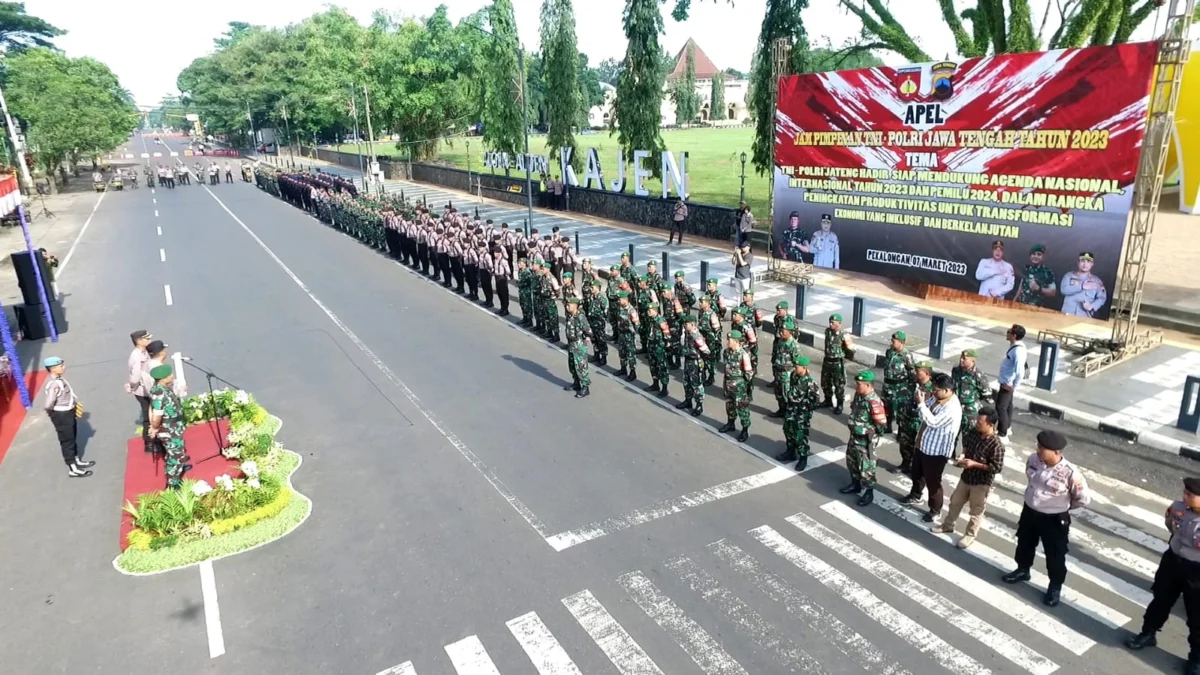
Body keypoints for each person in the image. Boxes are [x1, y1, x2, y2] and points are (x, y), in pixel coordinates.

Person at [1003, 429, 1090, 607]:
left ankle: (1055, 586)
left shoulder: (1071, 473)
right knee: (1025, 543)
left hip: (1054, 519)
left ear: (1056, 452)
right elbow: (1031, 479)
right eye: (1038, 446)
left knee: (1055, 555)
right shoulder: (1034, 459)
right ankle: (1023, 569)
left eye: (1042, 448)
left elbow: (1082, 499)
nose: (1038, 449)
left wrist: (1060, 507)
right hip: (1030, 512)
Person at [1125, 477, 1200, 669]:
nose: (1185, 496)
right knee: (1160, 599)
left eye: (1190, 495)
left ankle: (1196, 658)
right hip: (1173, 561)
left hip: (1196, 570)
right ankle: (1148, 633)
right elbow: (1170, 525)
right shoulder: (1177, 507)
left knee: (1196, 615)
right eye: (1185, 492)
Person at [933, 406, 1005, 549]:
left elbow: (996, 468)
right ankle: (948, 525)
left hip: (981, 483)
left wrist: (975, 464)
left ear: (990, 424)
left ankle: (970, 535)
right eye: (977, 420)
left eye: (980, 422)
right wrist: (963, 455)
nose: (977, 423)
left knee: (976, 511)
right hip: (966, 477)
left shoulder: (997, 445)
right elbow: (966, 444)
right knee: (955, 502)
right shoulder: (974, 432)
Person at [902, 373, 963, 522]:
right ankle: (915, 495)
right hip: (923, 443)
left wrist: (921, 404)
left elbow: (933, 422)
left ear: (948, 391)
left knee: (933, 482)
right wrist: (921, 402)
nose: (933, 392)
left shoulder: (952, 408)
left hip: (936, 452)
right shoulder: (937, 398)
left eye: (937, 390)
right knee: (916, 473)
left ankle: (935, 510)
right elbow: (925, 408)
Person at [42, 357, 93, 478]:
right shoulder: (54, 384)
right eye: (61, 366)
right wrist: (53, 414)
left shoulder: (59, 379)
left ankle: (76, 460)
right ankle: (72, 468)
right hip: (62, 415)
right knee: (67, 441)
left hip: (68, 412)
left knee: (72, 436)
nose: (63, 367)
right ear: (53, 369)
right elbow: (48, 404)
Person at [842, 370, 887, 506]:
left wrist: (869, 434)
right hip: (854, 438)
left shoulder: (874, 401)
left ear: (868, 385)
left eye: (859, 384)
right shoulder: (859, 395)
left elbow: (881, 424)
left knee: (866, 468)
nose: (856, 386)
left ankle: (868, 492)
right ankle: (855, 484)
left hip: (865, 441)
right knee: (852, 461)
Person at [777, 348, 821, 470]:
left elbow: (815, 401)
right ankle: (790, 452)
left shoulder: (811, 383)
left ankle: (803, 457)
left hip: (801, 413)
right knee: (788, 430)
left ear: (804, 368)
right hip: (791, 410)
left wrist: (805, 409)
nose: (795, 369)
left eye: (797, 367)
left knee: (800, 435)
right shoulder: (794, 377)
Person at [148, 364, 189, 490]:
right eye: (169, 375)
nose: (172, 376)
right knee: (174, 455)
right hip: (169, 429)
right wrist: (154, 427)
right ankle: (172, 484)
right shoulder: (159, 393)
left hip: (174, 427)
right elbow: (157, 414)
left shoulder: (162, 388)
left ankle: (178, 468)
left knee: (177, 452)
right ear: (163, 379)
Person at [951, 349, 991, 452]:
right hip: (956, 406)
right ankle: (950, 453)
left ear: (973, 361)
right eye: (961, 357)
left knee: (968, 434)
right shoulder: (956, 370)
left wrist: (972, 400)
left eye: (965, 358)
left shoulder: (978, 374)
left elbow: (986, 392)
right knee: (952, 431)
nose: (961, 360)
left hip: (970, 409)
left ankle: (965, 455)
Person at [719, 331, 754, 442]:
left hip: (739, 386)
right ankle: (731, 423)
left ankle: (745, 429)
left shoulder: (743, 355)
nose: (727, 342)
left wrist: (743, 386)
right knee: (729, 405)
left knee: (742, 407)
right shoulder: (726, 352)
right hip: (728, 383)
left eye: (729, 340)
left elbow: (749, 373)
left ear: (736, 341)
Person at [996, 324, 1027, 441]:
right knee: (1008, 405)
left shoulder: (1018, 351)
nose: (1007, 333)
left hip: (1007, 383)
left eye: (1009, 331)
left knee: (1000, 407)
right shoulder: (1016, 346)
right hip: (1007, 382)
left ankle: (1002, 432)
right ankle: (1007, 426)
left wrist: (1014, 386)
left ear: (1014, 335)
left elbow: (1020, 371)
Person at [881, 331, 916, 434]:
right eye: (891, 341)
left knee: (901, 410)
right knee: (886, 406)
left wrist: (910, 389)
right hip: (888, 385)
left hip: (900, 387)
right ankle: (887, 426)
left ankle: (901, 431)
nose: (891, 343)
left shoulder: (906, 355)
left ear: (901, 342)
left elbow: (912, 373)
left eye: (894, 341)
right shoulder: (889, 352)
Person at [124, 330, 154, 453]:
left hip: (148, 387)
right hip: (142, 390)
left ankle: (154, 437)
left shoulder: (144, 351)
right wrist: (132, 386)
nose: (149, 340)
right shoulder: (136, 356)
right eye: (146, 339)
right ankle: (149, 442)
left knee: (153, 412)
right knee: (148, 415)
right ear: (139, 341)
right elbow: (135, 376)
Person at [676, 313, 710, 417]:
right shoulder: (688, 333)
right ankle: (688, 400)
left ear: (692, 324)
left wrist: (687, 351)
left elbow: (706, 351)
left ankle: (699, 405)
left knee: (696, 384)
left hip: (695, 362)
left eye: (686, 324)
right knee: (687, 382)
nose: (684, 325)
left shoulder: (696, 336)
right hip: (688, 361)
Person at [822, 313, 853, 414]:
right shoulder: (828, 332)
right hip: (827, 361)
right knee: (825, 382)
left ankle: (839, 405)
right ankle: (828, 401)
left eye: (833, 323)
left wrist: (843, 358)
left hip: (837, 363)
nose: (831, 324)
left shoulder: (844, 335)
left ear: (839, 323)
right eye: (830, 322)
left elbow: (851, 351)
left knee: (839, 385)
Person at [1060, 251, 1108, 317]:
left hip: (1084, 316)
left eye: (1088, 262)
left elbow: (1102, 298)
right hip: (1067, 314)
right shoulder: (1069, 276)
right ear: (1078, 262)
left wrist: (1092, 306)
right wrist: (1081, 286)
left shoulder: (1097, 281)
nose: (1085, 264)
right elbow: (1063, 290)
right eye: (1082, 261)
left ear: (1092, 264)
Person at [563, 297, 594, 398]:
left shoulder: (580, 317)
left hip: (579, 345)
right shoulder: (569, 316)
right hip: (571, 344)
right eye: (567, 305)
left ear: (575, 306)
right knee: (572, 365)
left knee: (581, 367)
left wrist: (585, 343)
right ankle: (576, 383)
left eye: (569, 305)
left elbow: (588, 331)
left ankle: (585, 387)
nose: (567, 307)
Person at [771, 319, 801, 418]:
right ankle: (781, 410)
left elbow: (797, 362)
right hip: (778, 372)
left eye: (783, 331)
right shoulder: (781, 341)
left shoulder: (794, 345)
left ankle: (789, 414)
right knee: (778, 393)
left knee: (786, 394)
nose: (781, 333)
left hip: (787, 373)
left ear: (790, 332)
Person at [645, 302, 671, 397]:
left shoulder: (661, 320)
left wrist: (666, 346)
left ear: (655, 311)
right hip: (652, 345)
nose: (648, 312)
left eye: (650, 310)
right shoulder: (651, 319)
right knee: (653, 366)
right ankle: (655, 384)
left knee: (662, 367)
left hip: (659, 347)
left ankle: (664, 388)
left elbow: (667, 334)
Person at [615, 291, 639, 381]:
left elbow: (637, 324)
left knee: (630, 354)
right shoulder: (620, 308)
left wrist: (633, 332)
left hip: (629, 335)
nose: (619, 301)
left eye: (620, 299)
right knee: (622, 352)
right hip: (621, 334)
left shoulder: (631, 310)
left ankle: (633, 372)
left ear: (625, 299)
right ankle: (623, 369)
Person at [586, 280, 609, 366]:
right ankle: (596, 355)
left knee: (601, 340)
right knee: (594, 339)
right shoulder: (591, 297)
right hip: (592, 321)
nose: (591, 288)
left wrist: (603, 319)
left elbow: (606, 310)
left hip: (599, 322)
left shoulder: (601, 298)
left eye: (593, 287)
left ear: (597, 288)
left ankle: (603, 357)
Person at [492, 248, 510, 316]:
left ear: (499, 253)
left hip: (502, 278)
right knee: (499, 292)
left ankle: (506, 309)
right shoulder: (495, 260)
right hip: (497, 277)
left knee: (504, 294)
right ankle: (502, 307)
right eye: (494, 252)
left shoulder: (503, 261)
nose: (494, 254)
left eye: (496, 252)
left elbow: (508, 271)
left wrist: (505, 276)